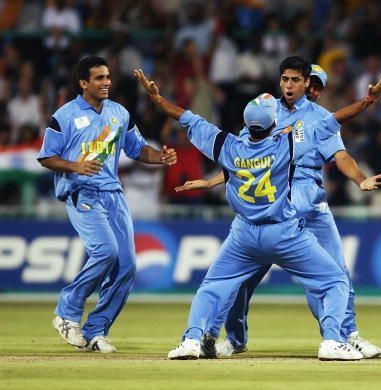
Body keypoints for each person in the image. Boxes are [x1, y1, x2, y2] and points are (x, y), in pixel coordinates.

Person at [134, 69, 363, 361]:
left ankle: (191, 340)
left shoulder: (227, 146)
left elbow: (189, 119)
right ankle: (332, 341)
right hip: (283, 232)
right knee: (335, 281)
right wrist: (369, 99)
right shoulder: (287, 145)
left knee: (212, 288)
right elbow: (334, 120)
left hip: (243, 234)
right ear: (275, 123)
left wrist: (157, 99)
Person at [38, 56, 177, 353]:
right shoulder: (64, 116)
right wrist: (74, 167)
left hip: (114, 195)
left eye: (108, 77)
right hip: (82, 193)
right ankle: (67, 311)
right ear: (83, 83)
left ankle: (96, 330)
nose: (106, 83)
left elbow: (138, 150)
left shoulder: (119, 113)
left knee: (126, 266)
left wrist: (160, 157)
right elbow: (46, 156)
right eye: (99, 78)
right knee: (106, 251)